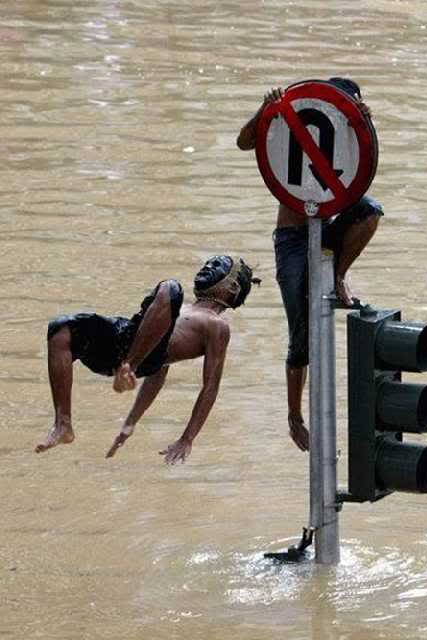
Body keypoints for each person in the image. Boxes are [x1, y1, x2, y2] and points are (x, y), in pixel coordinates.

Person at [236, 77, 383, 452]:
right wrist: (266, 109)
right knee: (300, 330)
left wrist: (367, 124)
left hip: (328, 226)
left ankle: (339, 276)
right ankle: (294, 415)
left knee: (371, 210)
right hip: (292, 238)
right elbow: (244, 142)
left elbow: (363, 171)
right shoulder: (296, 121)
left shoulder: (350, 135)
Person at [36, 256, 258, 464]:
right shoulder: (176, 309)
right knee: (61, 329)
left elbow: (210, 388)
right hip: (124, 339)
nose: (207, 268)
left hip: (138, 359)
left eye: (217, 266)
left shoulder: (216, 325)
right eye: (208, 263)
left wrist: (187, 438)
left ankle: (128, 367)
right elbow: (158, 375)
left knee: (171, 286)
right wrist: (129, 425)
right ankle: (63, 424)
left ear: (232, 288)